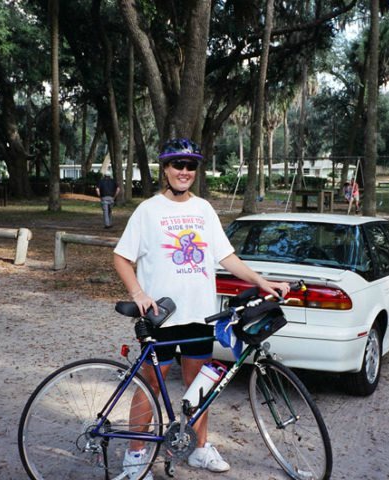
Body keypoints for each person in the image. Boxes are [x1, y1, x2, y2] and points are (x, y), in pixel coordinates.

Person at [113, 138, 289, 478]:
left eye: (190, 165)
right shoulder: (148, 210)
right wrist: (137, 293)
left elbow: (227, 258)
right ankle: (135, 458)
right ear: (165, 168)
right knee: (150, 385)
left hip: (199, 314)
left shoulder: (204, 209)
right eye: (177, 164)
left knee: (200, 385)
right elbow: (121, 257)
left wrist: (263, 282)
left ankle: (199, 448)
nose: (184, 171)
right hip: (161, 316)